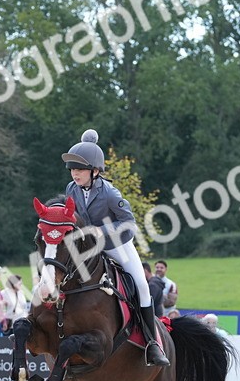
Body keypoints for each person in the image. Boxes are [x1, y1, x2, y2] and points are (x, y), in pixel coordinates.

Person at [61, 129, 169, 366]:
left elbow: (128, 223)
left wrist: (103, 231)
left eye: (79, 169)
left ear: (95, 171)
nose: (74, 173)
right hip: (87, 248)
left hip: (115, 245)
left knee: (141, 284)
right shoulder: (71, 189)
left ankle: (153, 344)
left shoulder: (110, 194)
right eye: (72, 169)